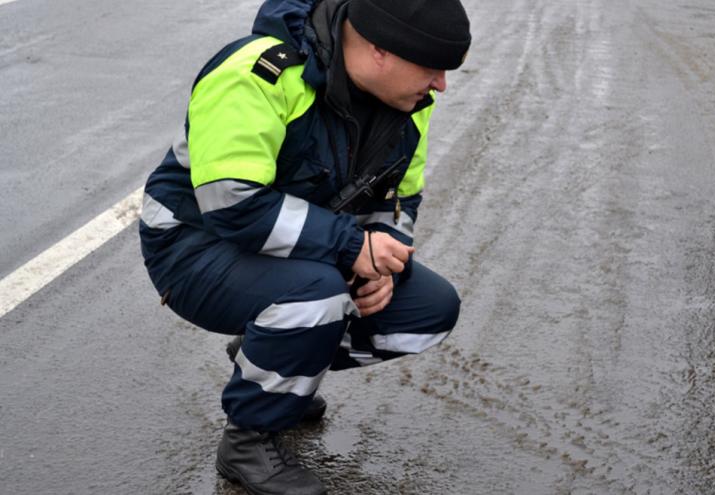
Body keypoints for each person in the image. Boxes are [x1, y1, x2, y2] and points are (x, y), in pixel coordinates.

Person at [138, 0, 471, 493]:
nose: (440, 84)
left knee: (430, 309)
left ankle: (274, 362)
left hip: (299, 246)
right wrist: (347, 246)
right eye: (432, 67)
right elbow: (232, 203)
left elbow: (399, 199)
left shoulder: (409, 104)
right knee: (314, 296)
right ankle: (248, 440)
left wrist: (380, 263)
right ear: (380, 49)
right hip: (192, 244)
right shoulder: (256, 74)